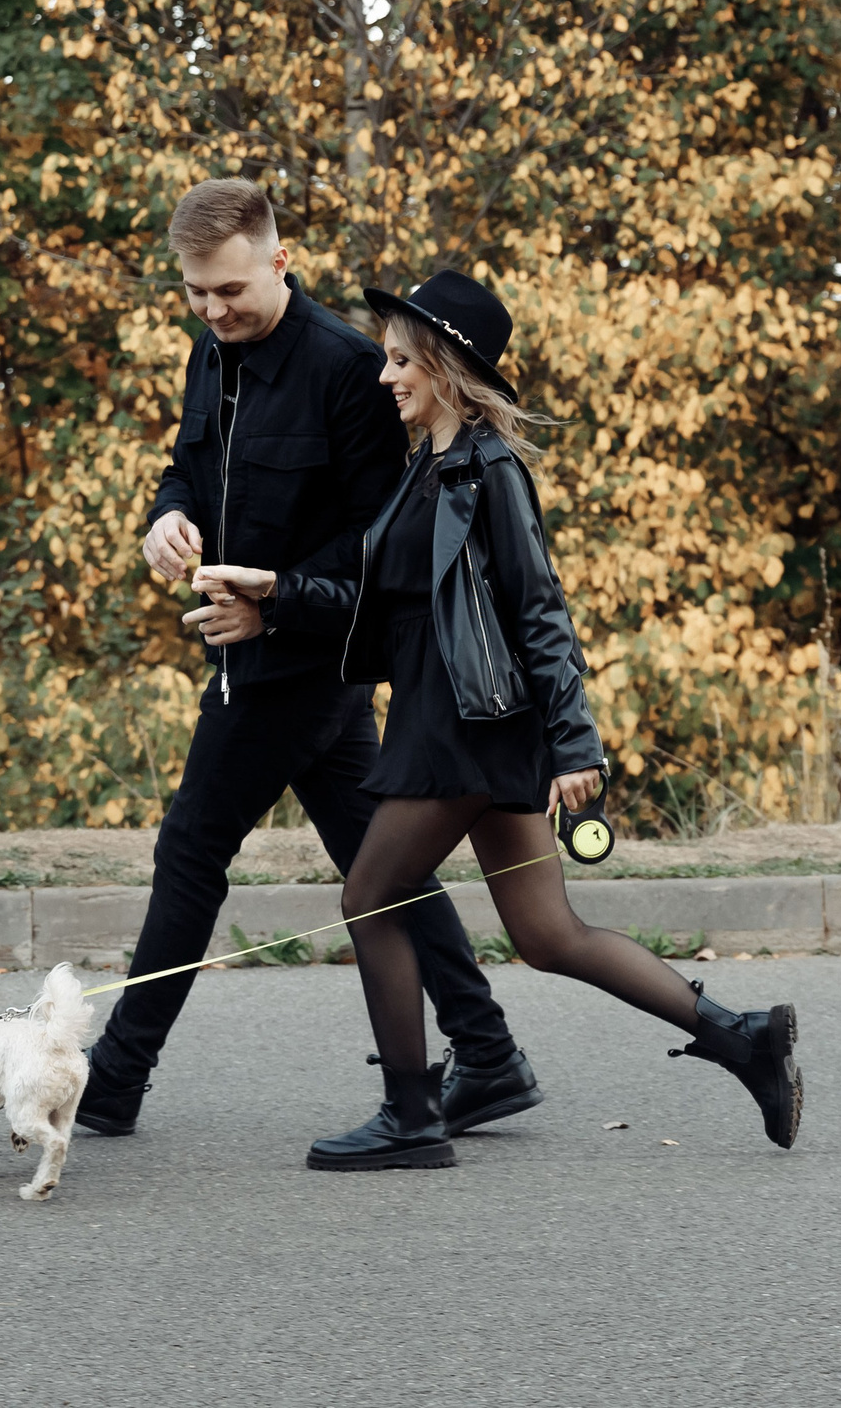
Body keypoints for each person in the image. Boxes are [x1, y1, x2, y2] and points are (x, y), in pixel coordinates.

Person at [257, 268, 802, 1169]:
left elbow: (539, 608)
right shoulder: (423, 467)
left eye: (400, 360)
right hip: (466, 723)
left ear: (443, 365)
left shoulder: (487, 468)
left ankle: (409, 1115)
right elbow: (385, 602)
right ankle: (745, 1036)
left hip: (464, 733)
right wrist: (275, 593)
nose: (384, 375)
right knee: (549, 935)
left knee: (368, 898)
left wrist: (575, 742)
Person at [73, 180, 543, 1141]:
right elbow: (184, 464)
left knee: (192, 848)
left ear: (279, 262)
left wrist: (273, 609)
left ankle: (113, 1081)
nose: (212, 311)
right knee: (384, 864)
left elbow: (384, 543)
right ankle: (487, 1051)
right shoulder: (211, 356)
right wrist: (167, 515)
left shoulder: (343, 368)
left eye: (231, 290)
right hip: (257, 655)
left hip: (301, 661)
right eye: (197, 294)